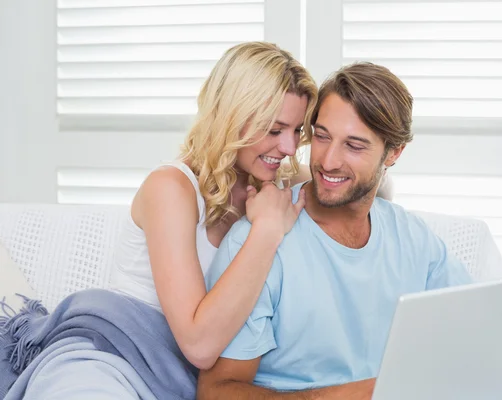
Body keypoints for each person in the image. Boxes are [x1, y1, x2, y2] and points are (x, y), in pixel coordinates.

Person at [109, 41, 392, 371]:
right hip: (119, 356)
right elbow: (198, 346)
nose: (288, 147)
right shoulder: (171, 189)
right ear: (230, 118)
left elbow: (366, 187)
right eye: (274, 129)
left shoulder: (275, 181)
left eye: (298, 130)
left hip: (177, 378)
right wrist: (267, 230)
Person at [197, 62, 474, 399]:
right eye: (322, 137)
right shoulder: (254, 243)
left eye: (354, 146)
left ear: (394, 152)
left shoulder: (413, 237)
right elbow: (216, 392)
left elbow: (475, 328)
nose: (328, 162)